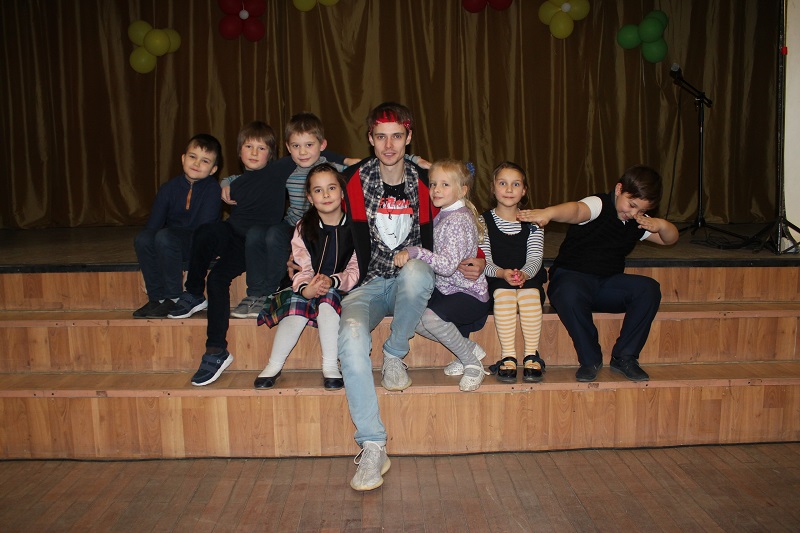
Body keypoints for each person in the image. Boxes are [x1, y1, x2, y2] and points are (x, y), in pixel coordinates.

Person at [337, 102, 436, 491]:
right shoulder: (353, 180)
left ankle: (394, 354)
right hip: (369, 284)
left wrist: (478, 257)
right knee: (351, 338)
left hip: (411, 280)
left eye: (397, 136)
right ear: (370, 139)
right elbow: (309, 181)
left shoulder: (426, 180)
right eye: (381, 137)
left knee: (417, 270)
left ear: (409, 138)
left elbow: (463, 208)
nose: (389, 145)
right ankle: (373, 444)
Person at [521, 165, 678, 383]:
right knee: (568, 292)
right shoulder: (599, 204)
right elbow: (577, 210)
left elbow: (668, 239)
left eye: (641, 211)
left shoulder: (635, 220)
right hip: (572, 278)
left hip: (606, 284)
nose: (633, 213)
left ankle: (625, 357)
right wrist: (549, 213)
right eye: (631, 205)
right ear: (619, 189)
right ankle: (590, 359)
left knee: (649, 289)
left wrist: (660, 224)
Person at [169, 120, 285, 386]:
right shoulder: (236, 181)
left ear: (271, 154)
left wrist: (348, 161)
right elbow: (231, 182)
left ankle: (215, 350)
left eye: (261, 148)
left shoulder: (277, 172)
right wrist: (226, 181)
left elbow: (312, 153)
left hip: (253, 245)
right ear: (239, 150)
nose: (254, 152)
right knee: (206, 231)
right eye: (248, 146)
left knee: (217, 280)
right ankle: (193, 292)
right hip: (232, 233)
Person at [224, 113, 349, 319]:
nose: (303, 152)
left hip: (314, 228)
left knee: (274, 235)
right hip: (292, 224)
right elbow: (253, 175)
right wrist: (226, 183)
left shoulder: (333, 169)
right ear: (288, 148)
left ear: (322, 145)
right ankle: (254, 293)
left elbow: (363, 168)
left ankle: (270, 292)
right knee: (255, 233)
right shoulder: (286, 169)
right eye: (296, 146)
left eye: (309, 145)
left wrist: (347, 160)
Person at [254, 164, 359, 390]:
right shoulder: (304, 226)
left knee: (328, 299)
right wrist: (306, 288)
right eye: (318, 190)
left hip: (340, 287)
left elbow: (355, 268)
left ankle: (330, 366)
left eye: (332, 188)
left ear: (342, 192)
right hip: (305, 283)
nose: (326, 195)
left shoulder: (355, 228)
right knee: (297, 305)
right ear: (310, 198)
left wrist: (333, 281)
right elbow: (302, 264)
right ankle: (273, 365)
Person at [394, 159, 490, 392]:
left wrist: (416, 252)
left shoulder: (457, 220)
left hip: (468, 294)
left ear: (462, 190)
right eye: (433, 184)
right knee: (413, 317)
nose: (436, 189)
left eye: (445, 185)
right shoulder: (446, 213)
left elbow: (446, 266)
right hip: (448, 289)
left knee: (429, 319)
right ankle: (467, 348)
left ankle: (472, 364)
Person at [132, 134, 223, 318]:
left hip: (200, 243)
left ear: (213, 169)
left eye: (205, 161)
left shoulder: (213, 190)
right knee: (143, 238)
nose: (196, 163)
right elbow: (153, 226)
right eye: (192, 157)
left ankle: (173, 297)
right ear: (183, 158)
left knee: (165, 237)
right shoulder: (169, 188)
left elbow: (204, 230)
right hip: (172, 242)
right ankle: (156, 298)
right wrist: (146, 261)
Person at [479, 162, 547, 384]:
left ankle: (531, 356)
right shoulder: (482, 222)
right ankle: (508, 356)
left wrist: (524, 274)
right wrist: (502, 273)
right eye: (503, 183)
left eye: (516, 184)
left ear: (524, 190)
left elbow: (535, 258)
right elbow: (484, 261)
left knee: (530, 294)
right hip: (497, 279)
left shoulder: (534, 222)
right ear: (493, 188)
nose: (509, 189)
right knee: (504, 294)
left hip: (528, 278)